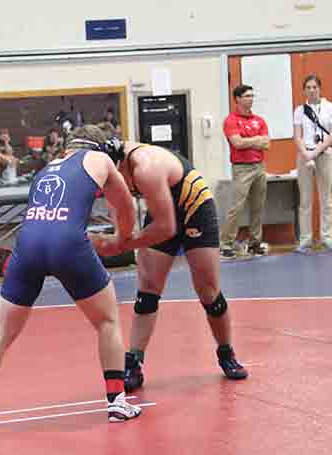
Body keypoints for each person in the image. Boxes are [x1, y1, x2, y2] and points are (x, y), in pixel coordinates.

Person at [0, 125, 142, 432]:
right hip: (68, 243)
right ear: (98, 147)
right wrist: (121, 239)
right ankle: (116, 401)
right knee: (107, 320)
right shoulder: (101, 161)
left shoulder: (45, 170)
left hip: (27, 245)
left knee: (0, 331)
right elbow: (125, 206)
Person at [89, 124, 248, 393]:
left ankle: (226, 352)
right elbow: (118, 205)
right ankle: (134, 362)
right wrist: (120, 237)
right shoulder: (107, 167)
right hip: (163, 207)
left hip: (194, 207)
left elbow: (166, 228)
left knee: (207, 290)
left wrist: (120, 246)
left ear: (120, 165)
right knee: (148, 288)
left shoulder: (145, 167)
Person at [220, 84, 270, 259]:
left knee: (258, 206)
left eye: (252, 96)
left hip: (259, 166)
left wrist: (248, 140)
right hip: (242, 168)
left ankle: (255, 243)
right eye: (247, 96)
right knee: (236, 207)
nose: (251, 99)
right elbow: (237, 143)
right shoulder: (231, 120)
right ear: (238, 99)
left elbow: (267, 143)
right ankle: (226, 244)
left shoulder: (260, 120)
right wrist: (256, 140)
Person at [293, 74, 332, 252]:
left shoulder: (331, 108)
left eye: (315, 87)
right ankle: (305, 239)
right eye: (308, 87)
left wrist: (316, 151)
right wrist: (306, 153)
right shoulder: (299, 110)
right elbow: (297, 136)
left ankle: (326, 237)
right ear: (304, 90)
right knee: (305, 199)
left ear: (320, 88)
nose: (312, 90)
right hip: (305, 156)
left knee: (326, 198)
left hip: (324, 153)